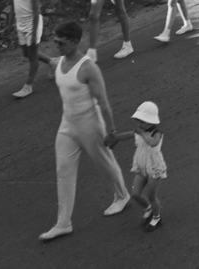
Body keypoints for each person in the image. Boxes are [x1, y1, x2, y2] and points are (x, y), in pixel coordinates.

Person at [38, 20, 131, 241]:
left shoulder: (88, 67)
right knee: (63, 170)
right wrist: (31, 50)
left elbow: (103, 101)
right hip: (67, 126)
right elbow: (49, 61)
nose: (57, 45)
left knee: (105, 163)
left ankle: (122, 195)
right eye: (54, 41)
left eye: (61, 42)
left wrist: (111, 131)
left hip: (91, 124)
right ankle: (63, 223)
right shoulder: (59, 62)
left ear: (75, 41)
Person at [108, 100, 166, 231]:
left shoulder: (157, 132)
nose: (140, 124)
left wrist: (142, 133)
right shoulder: (139, 130)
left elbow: (153, 143)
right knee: (135, 194)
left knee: (152, 196)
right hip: (141, 166)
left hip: (154, 168)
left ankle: (157, 218)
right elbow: (128, 135)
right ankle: (148, 209)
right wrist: (115, 138)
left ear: (153, 121)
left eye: (144, 121)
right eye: (139, 120)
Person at [10, 0, 51, 98]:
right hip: (20, 24)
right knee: (26, 53)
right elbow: (12, 6)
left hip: (32, 24)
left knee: (32, 55)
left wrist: (34, 33)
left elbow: (36, 13)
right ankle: (52, 62)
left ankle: (28, 86)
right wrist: (9, 24)